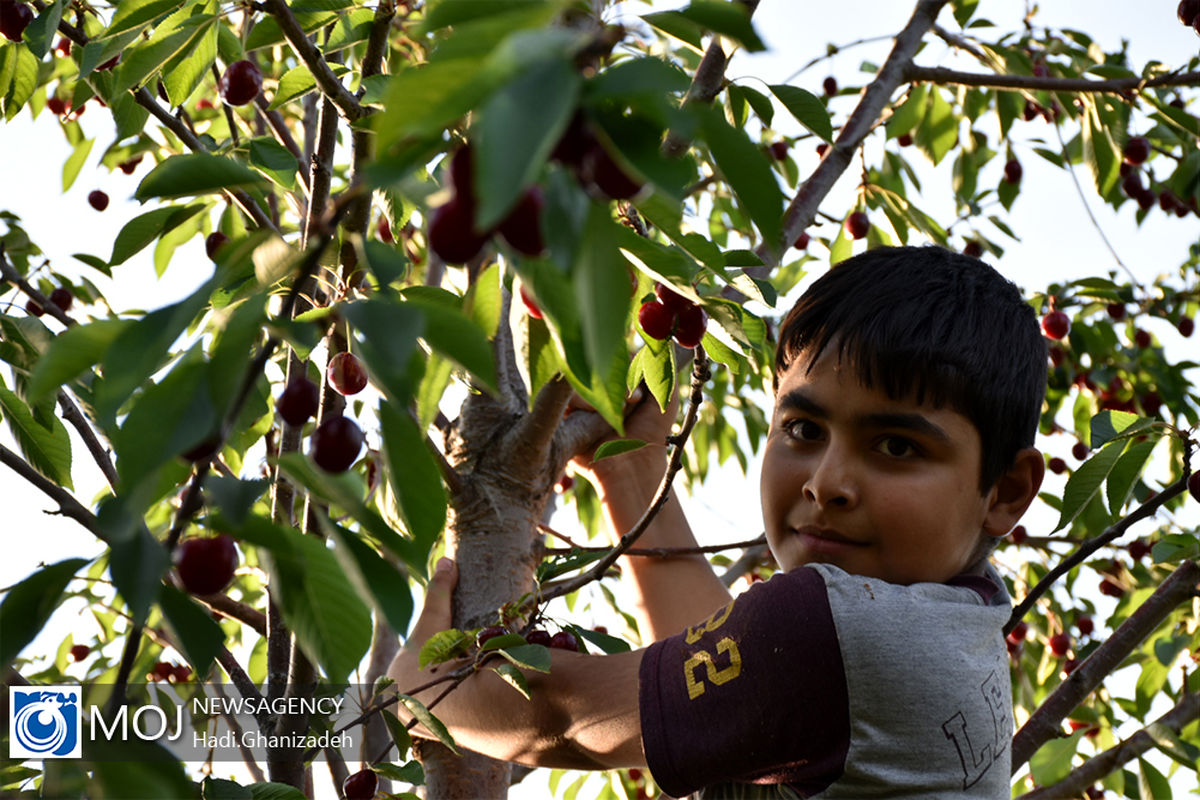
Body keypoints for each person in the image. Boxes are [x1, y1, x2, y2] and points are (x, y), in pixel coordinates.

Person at [388, 245, 1048, 798]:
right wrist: (634, 471)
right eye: (804, 429)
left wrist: (417, 687)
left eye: (897, 447)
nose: (826, 483)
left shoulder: (836, 634)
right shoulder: (966, 616)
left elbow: (563, 716)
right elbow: (734, 675)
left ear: (1007, 491)